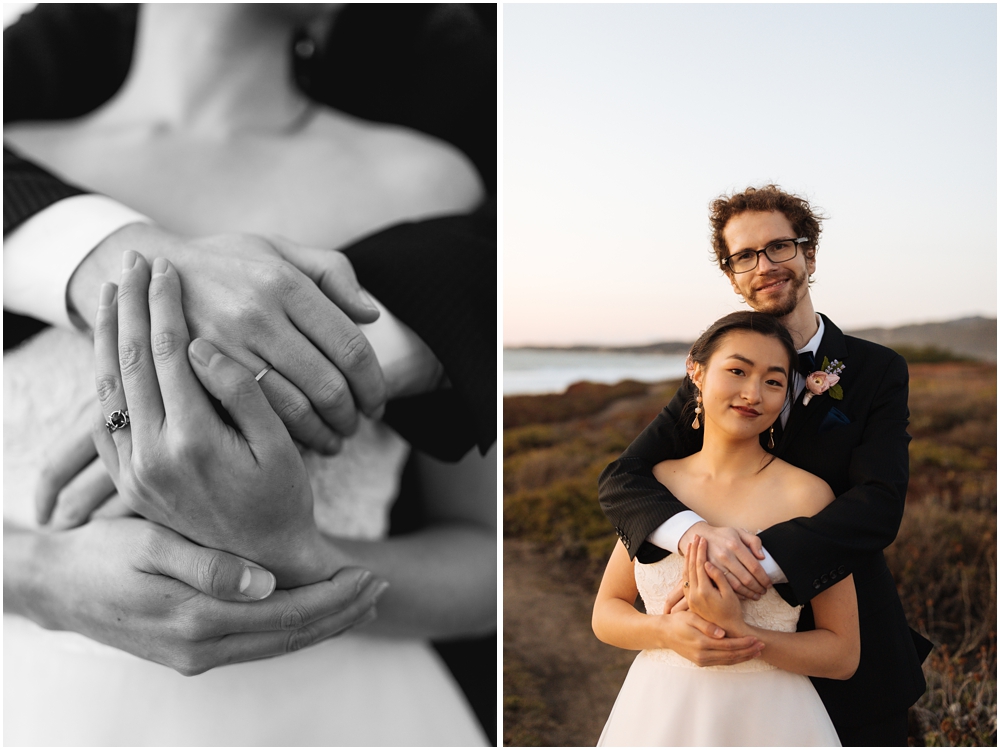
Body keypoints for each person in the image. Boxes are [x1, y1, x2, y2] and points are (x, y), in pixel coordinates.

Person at [3, 4, 494, 745]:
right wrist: (34, 575)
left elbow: (488, 555)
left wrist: (303, 569)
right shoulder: (18, 153)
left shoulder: (427, 181)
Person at [598, 185, 931, 746]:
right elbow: (624, 479)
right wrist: (695, 535)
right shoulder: (716, 375)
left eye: (779, 247)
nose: (764, 265)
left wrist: (751, 566)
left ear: (810, 255)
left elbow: (878, 507)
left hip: (845, 653)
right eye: (744, 256)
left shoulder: (877, 371)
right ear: (731, 274)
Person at [594, 312, 855, 746]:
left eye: (773, 381)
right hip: (658, 713)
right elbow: (606, 612)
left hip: (771, 719)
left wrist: (746, 636)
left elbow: (842, 653)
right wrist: (664, 633)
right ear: (696, 371)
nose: (753, 394)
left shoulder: (808, 497)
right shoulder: (652, 487)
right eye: (737, 371)